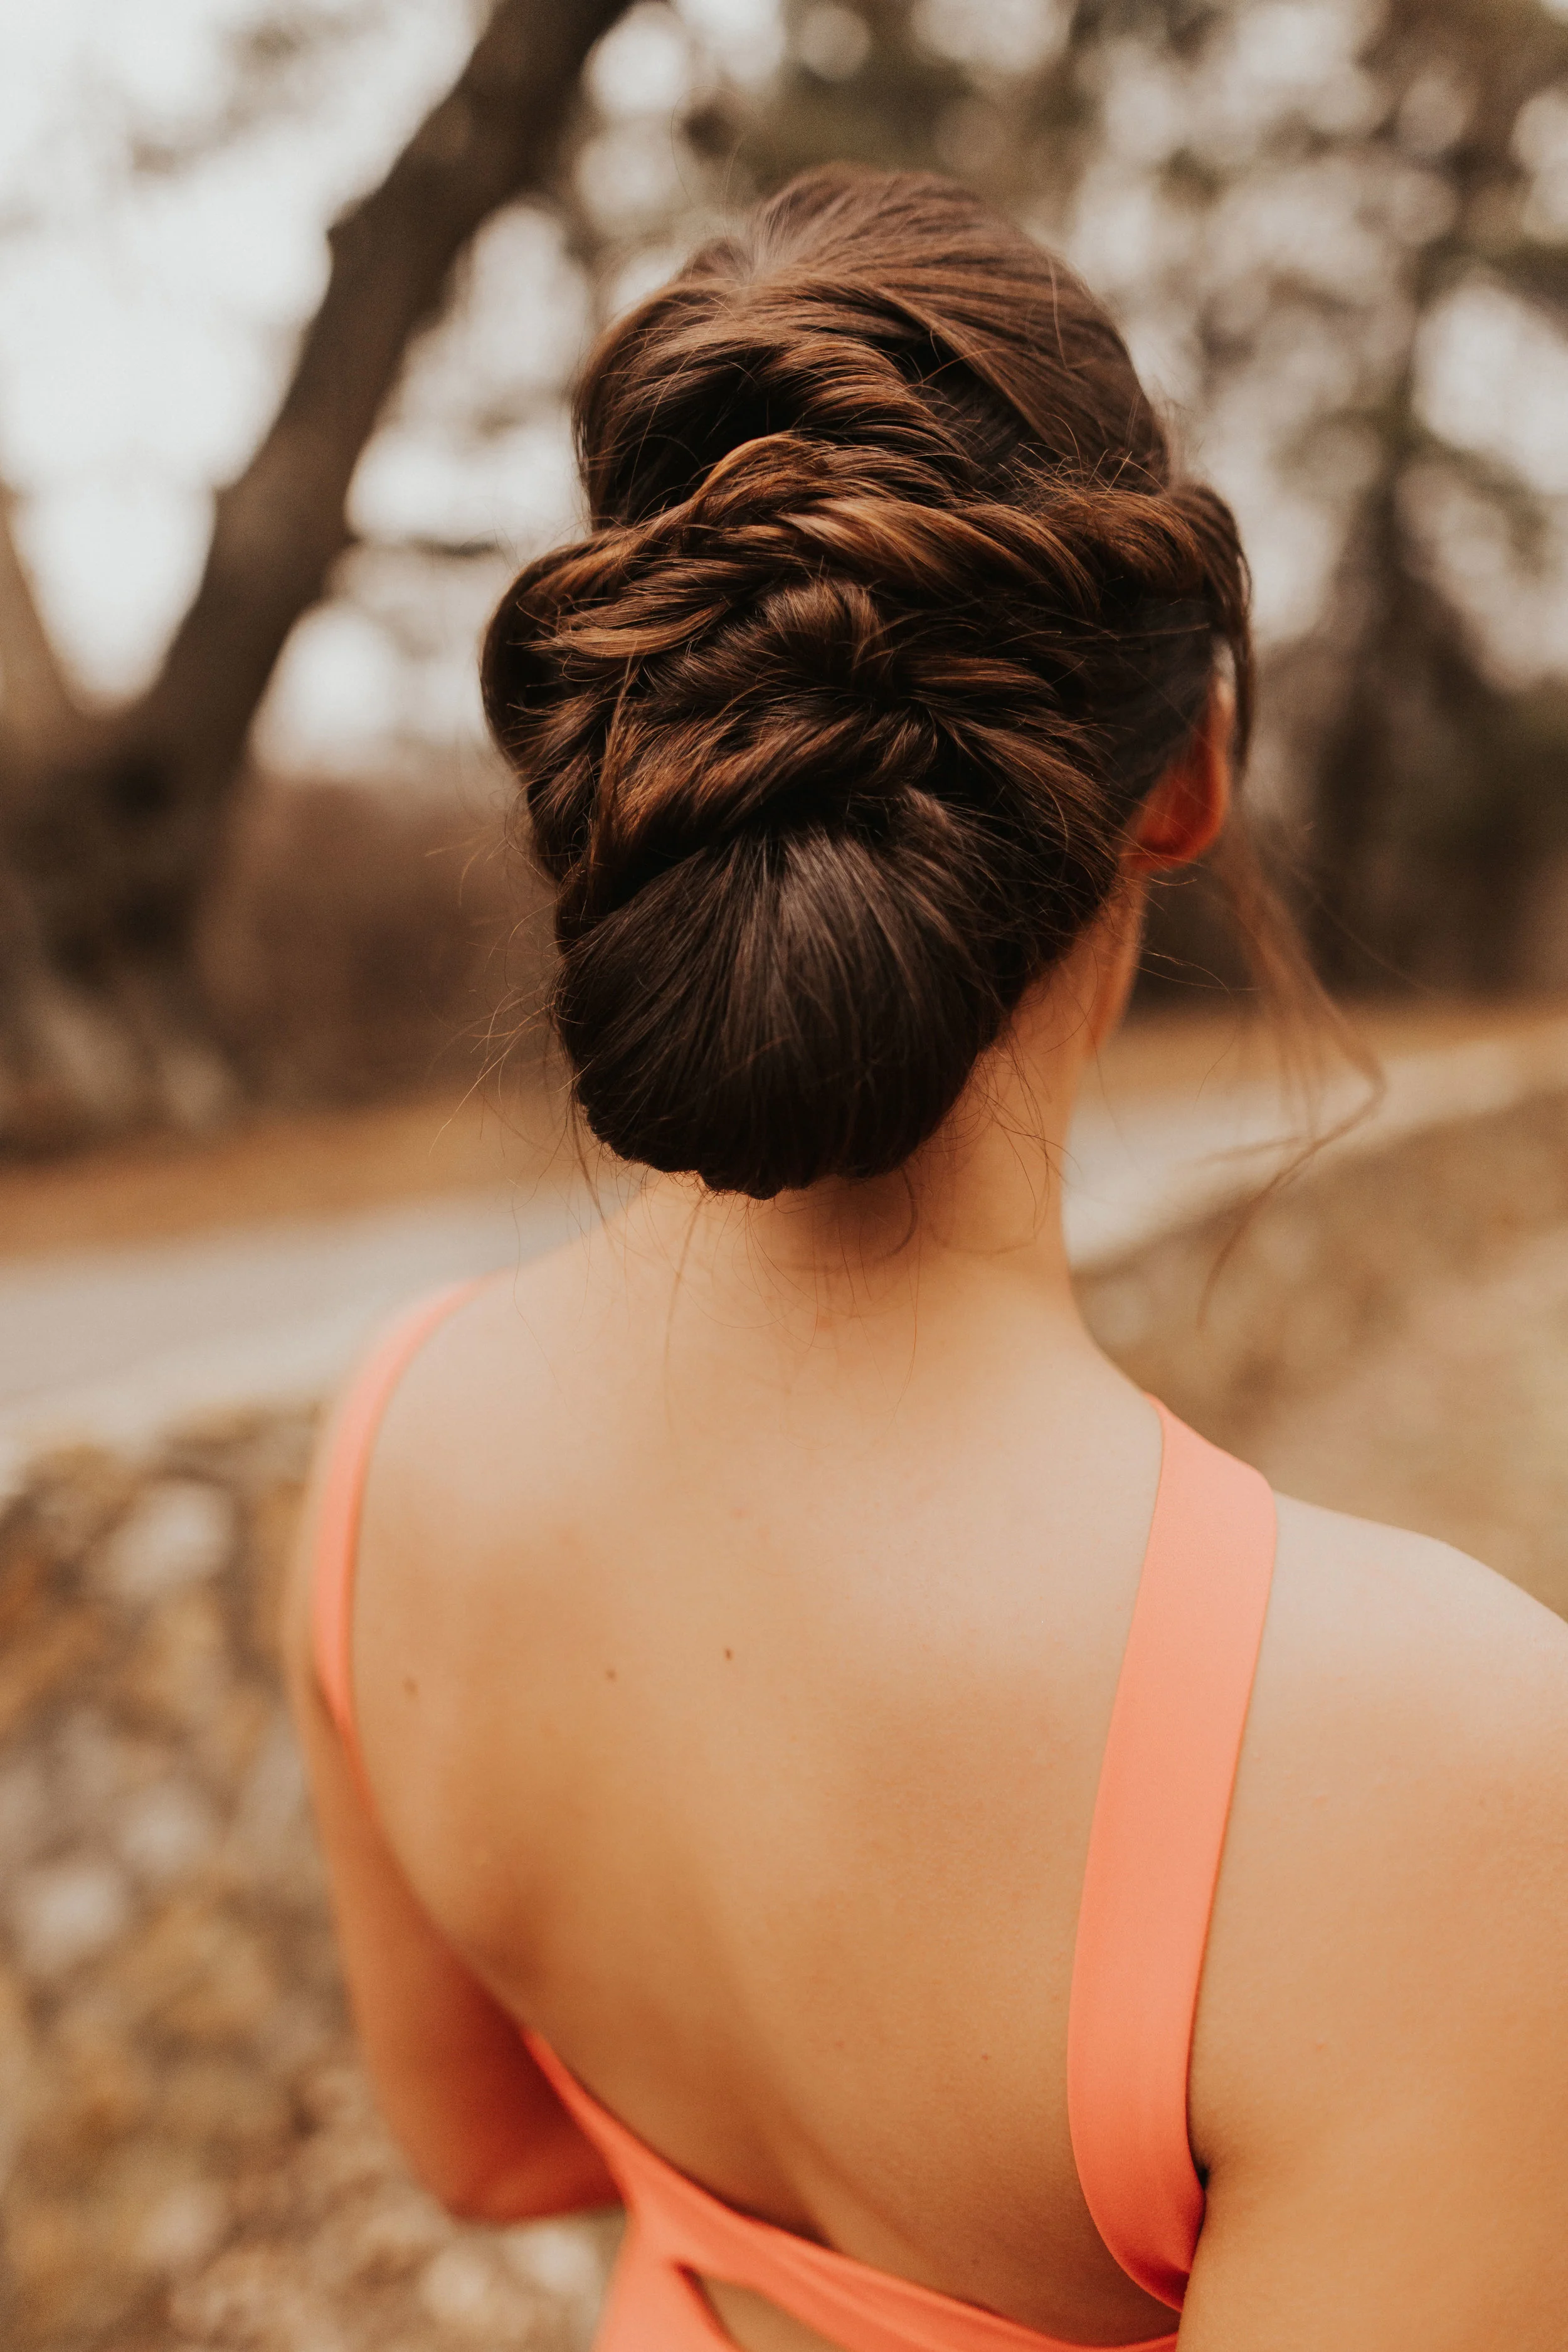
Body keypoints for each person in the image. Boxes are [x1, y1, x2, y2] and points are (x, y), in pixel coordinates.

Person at [283, 167, 1568, 2352]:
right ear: (1188, 778)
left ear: (627, 763)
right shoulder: (1427, 1768)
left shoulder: (392, 1434)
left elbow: (488, 2152)